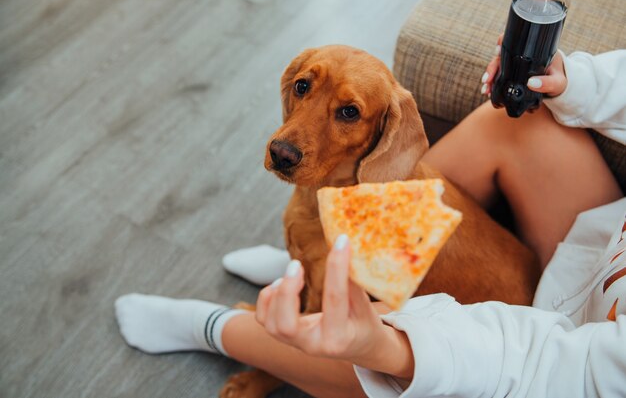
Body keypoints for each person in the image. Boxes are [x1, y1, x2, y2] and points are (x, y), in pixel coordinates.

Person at [115, 44, 626, 397]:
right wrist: (578, 81)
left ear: (385, 126)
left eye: (346, 112)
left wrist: (391, 345)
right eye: (302, 87)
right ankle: (317, 263)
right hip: (602, 251)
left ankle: (222, 328)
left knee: (393, 359)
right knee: (518, 118)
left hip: (554, 353)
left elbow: (570, 372)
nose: (288, 138)